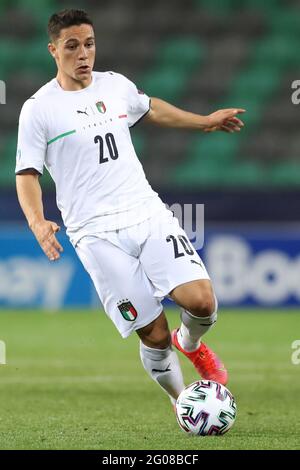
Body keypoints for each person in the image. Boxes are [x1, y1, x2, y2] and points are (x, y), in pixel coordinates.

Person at [15, 9, 245, 406]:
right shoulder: (39, 109)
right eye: (72, 46)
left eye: (89, 44)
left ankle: (190, 342)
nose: (84, 54)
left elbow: (151, 108)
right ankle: (183, 403)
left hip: (146, 213)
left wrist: (204, 121)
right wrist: (37, 222)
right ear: (53, 50)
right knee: (152, 332)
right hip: (94, 232)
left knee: (203, 303)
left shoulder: (115, 85)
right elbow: (27, 174)